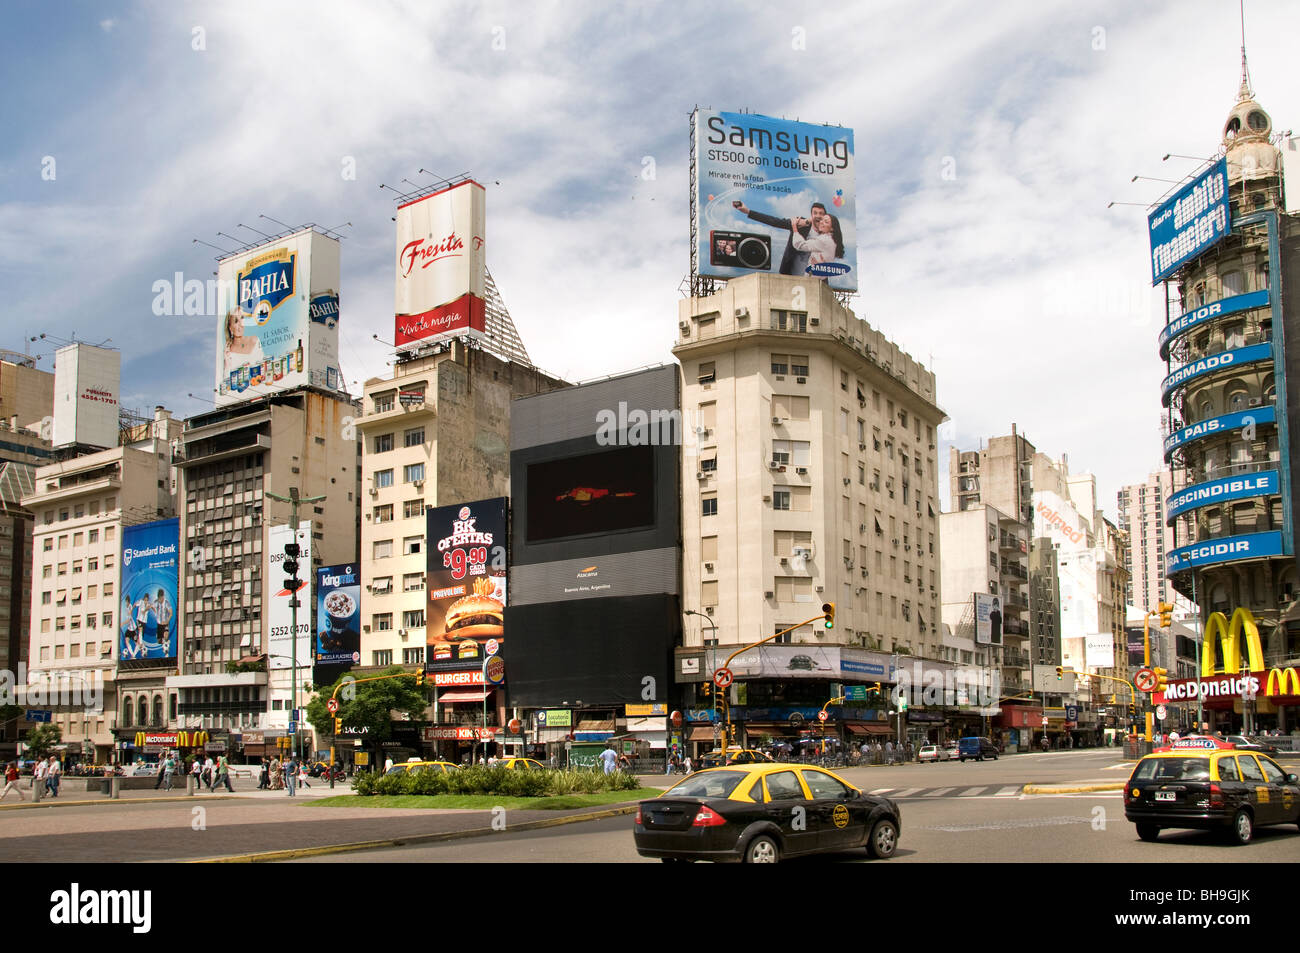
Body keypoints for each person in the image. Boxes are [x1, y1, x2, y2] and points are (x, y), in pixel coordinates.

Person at [733, 200, 831, 276]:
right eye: (815, 213)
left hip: (815, 280)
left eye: (821, 213)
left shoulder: (828, 235)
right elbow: (775, 222)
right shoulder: (799, 224)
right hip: (792, 276)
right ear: (811, 215)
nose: (818, 216)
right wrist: (748, 212)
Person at [154, 588, 174, 657]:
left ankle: (166, 652)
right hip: (159, 624)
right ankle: (166, 642)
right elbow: (152, 607)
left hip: (165, 623)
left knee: (165, 636)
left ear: (163, 596)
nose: (159, 600)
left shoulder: (166, 603)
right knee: (159, 641)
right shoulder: (156, 602)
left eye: (160, 598)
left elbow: (171, 613)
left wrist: (167, 621)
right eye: (158, 598)